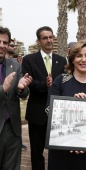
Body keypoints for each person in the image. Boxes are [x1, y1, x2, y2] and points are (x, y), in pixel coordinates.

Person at [46, 40, 86, 170]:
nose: (83, 59)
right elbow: (48, 110)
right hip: (62, 148)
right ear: (72, 59)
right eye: (79, 55)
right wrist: (70, 105)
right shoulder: (61, 80)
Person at [22, 26, 67, 170]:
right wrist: (45, 85)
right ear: (38, 41)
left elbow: (64, 82)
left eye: (50, 37)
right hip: (37, 112)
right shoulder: (29, 59)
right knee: (36, 152)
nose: (49, 40)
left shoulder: (61, 60)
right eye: (45, 38)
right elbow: (27, 81)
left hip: (57, 115)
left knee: (58, 152)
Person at [0, 26, 32, 169]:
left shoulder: (15, 65)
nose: (2, 46)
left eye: (5, 43)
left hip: (12, 128)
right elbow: (4, 90)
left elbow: (24, 94)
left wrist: (22, 88)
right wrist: (2, 89)